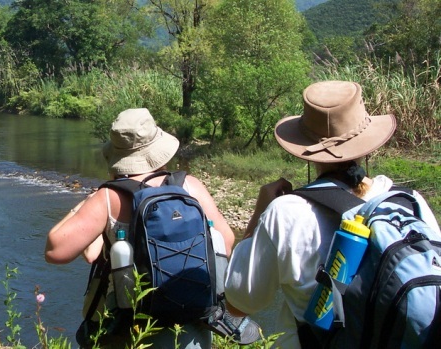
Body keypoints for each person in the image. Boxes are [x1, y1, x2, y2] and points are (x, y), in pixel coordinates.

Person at [223, 80, 441, 348]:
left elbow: (239, 302)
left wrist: (259, 215)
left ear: (306, 152)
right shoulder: (409, 202)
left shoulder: (285, 211)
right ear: (368, 145)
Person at [45, 108, 242, 348]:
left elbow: (55, 251)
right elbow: (227, 243)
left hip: (130, 331)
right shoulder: (190, 187)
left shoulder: (108, 197)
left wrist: (84, 204)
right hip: (191, 326)